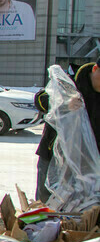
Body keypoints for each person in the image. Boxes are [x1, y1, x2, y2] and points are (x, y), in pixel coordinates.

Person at [35, 57, 100, 202]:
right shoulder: (69, 83)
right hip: (55, 157)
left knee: (84, 207)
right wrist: (63, 103)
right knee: (47, 202)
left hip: (89, 164)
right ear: (95, 69)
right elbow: (40, 99)